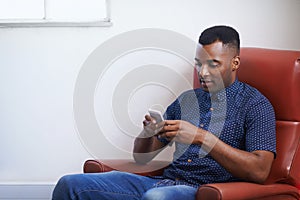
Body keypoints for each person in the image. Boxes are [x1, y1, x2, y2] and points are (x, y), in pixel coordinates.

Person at [52, 25, 276, 200]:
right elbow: (142, 158)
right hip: (163, 183)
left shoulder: (255, 105)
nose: (202, 72)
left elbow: (259, 171)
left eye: (213, 64)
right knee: (70, 185)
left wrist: (201, 137)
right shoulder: (188, 100)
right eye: (199, 63)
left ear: (235, 63)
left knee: (157, 197)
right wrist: (147, 133)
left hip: (203, 190)